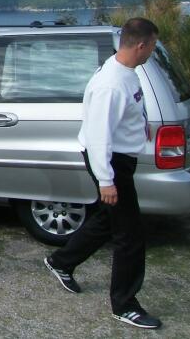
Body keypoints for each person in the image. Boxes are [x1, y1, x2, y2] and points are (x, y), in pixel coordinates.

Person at [44, 17, 162, 330]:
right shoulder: (110, 83)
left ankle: (61, 261)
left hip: (117, 159)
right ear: (140, 45)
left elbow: (129, 108)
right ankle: (125, 305)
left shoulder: (125, 71)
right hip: (110, 162)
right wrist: (107, 180)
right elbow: (98, 137)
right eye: (152, 45)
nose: (152, 51)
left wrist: (141, 125)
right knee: (130, 235)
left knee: (106, 220)